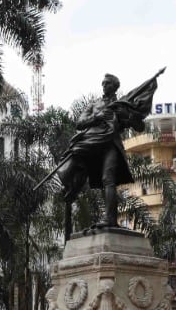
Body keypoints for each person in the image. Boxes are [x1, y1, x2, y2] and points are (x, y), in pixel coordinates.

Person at [47, 68, 164, 229]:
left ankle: (110, 219)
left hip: (111, 145)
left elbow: (139, 125)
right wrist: (97, 117)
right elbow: (80, 123)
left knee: (108, 179)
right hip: (92, 145)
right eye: (103, 83)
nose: (104, 86)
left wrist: (127, 115)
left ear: (115, 86)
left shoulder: (122, 104)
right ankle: (71, 188)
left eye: (107, 83)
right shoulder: (94, 104)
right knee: (83, 172)